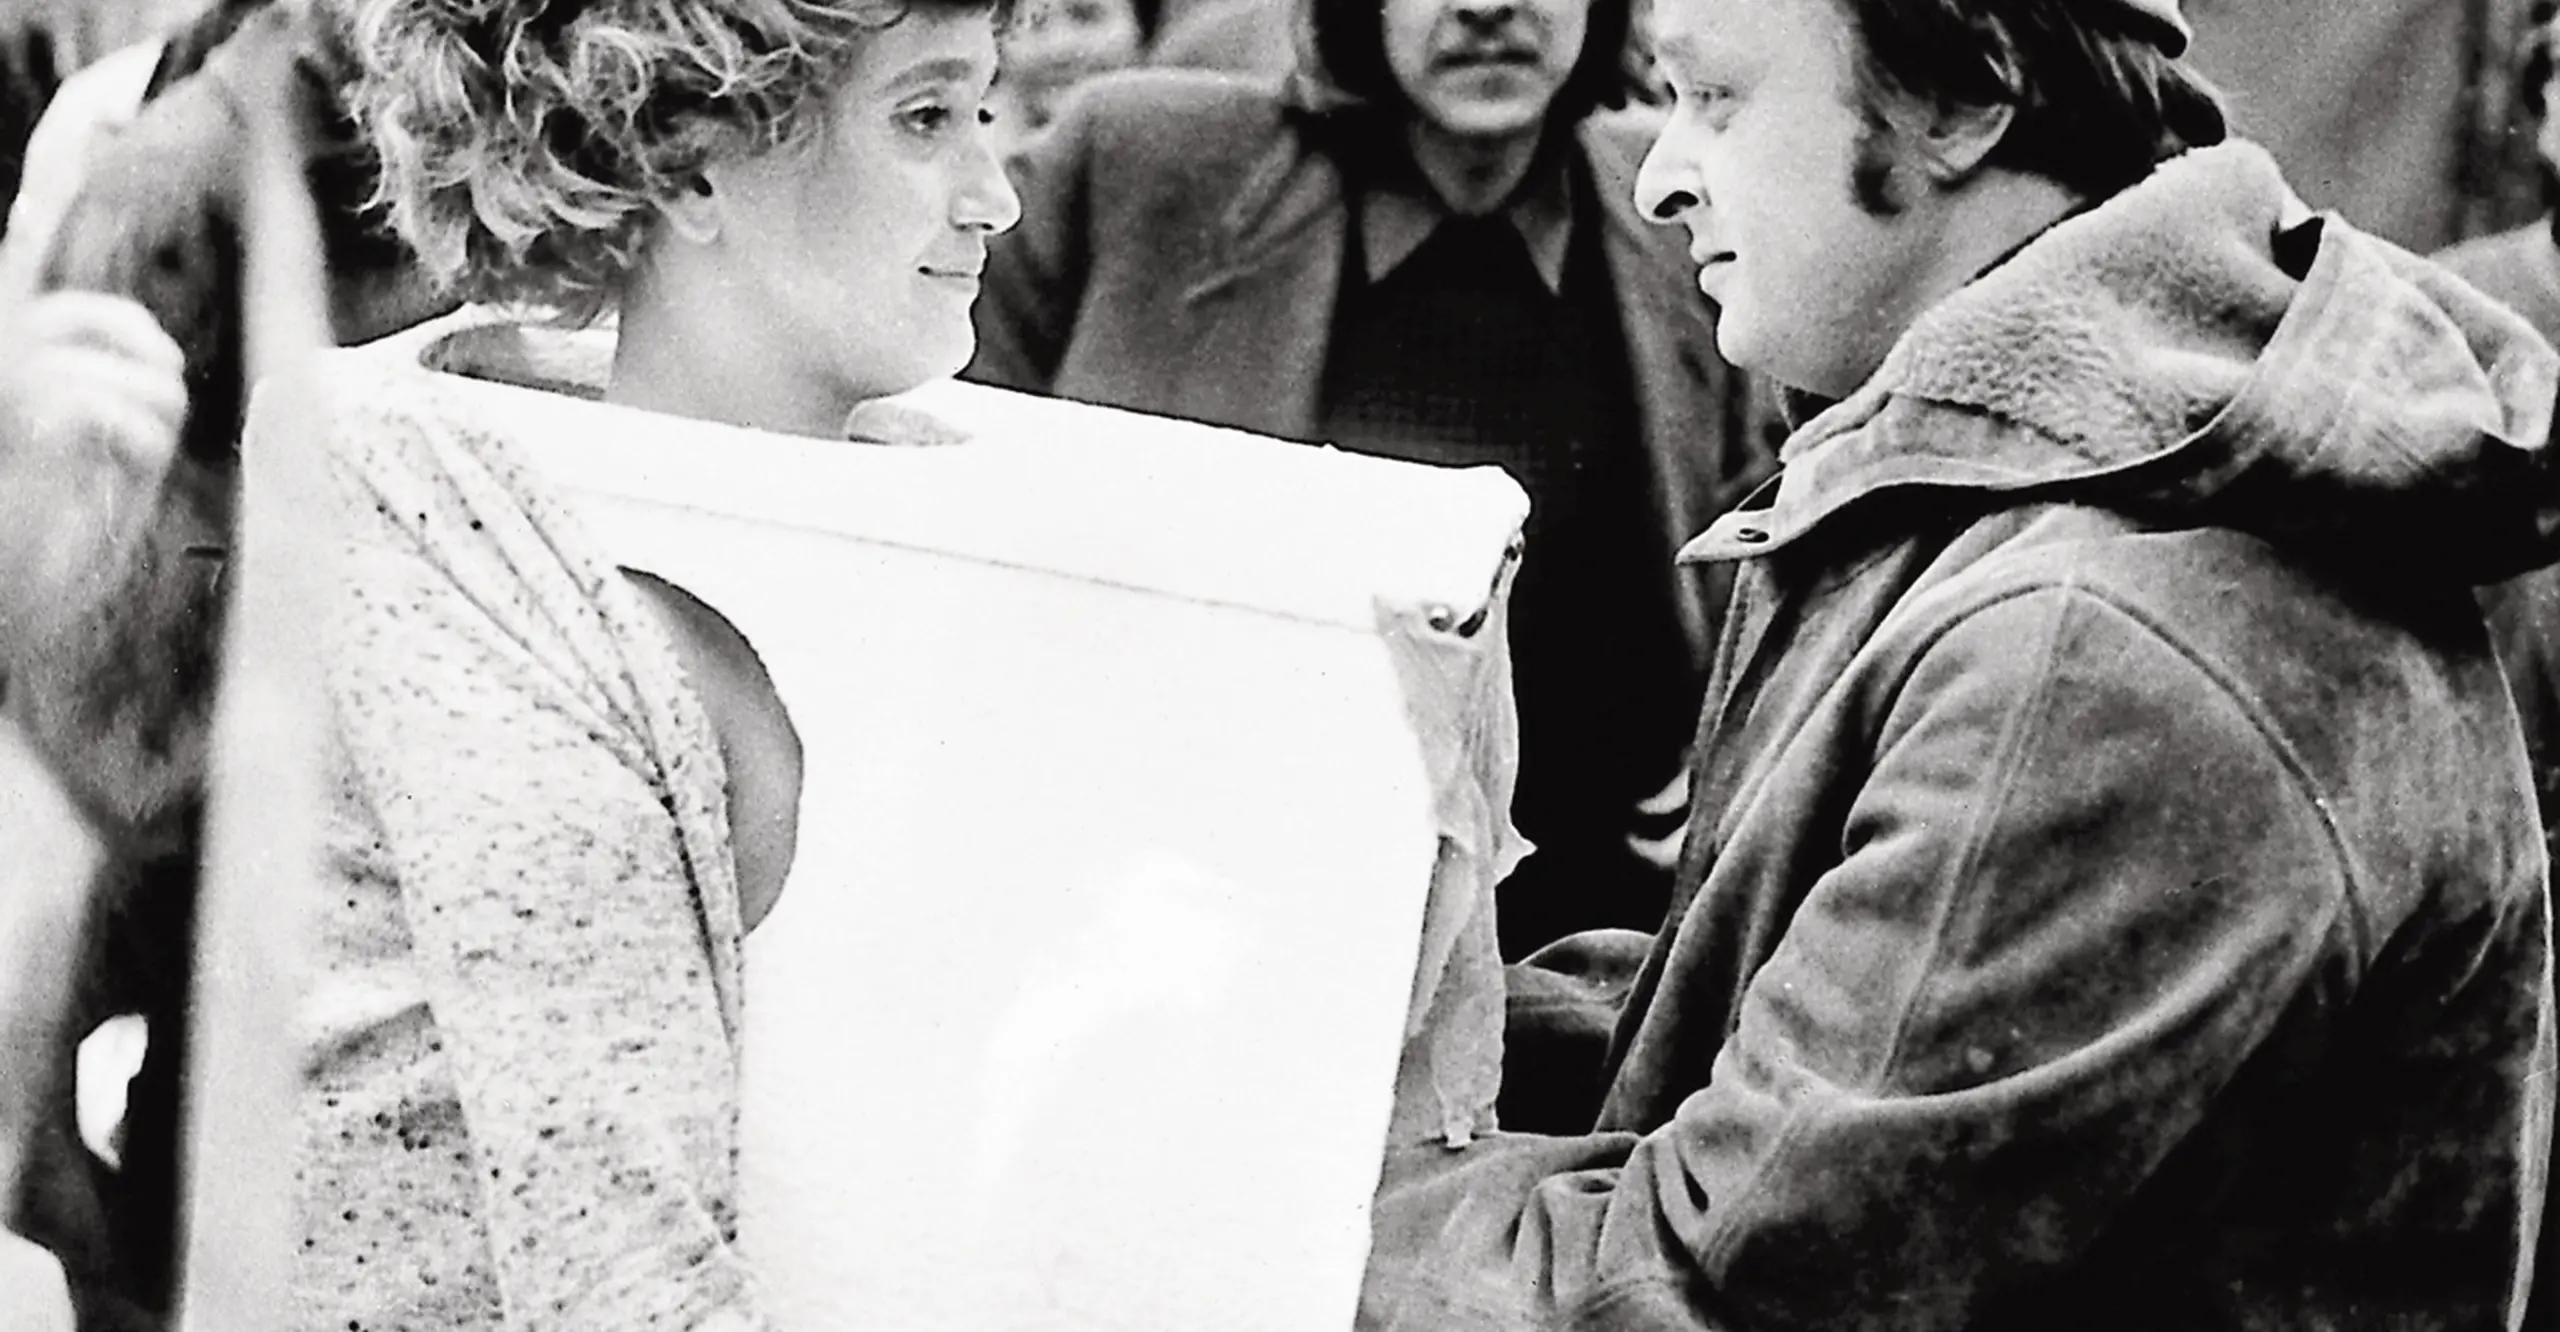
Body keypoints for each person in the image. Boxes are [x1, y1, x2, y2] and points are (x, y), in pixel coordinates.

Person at [1354, 0, 2560, 1326]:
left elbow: (1715, 1286)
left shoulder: (2098, 641)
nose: (1659, 179)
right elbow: (1799, 1017)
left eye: (1716, 99)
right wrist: (1365, 1016)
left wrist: (1268, 1178)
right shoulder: (2019, 498)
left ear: (1964, 100)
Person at [280, 0, 1016, 1324]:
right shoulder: (485, 572)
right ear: (689, 169)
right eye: (924, 119)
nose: (995, 198)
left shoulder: (933, 542)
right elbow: (618, 1274)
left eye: (986, 112)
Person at [969, 0, 1775, 962]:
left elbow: (1768, 520)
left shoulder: (1684, 200)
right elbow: (938, 459)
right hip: (1198, 922)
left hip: (1587, 934)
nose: (1487, 8)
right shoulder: (1139, 163)